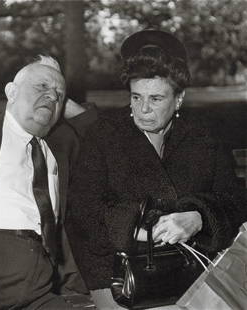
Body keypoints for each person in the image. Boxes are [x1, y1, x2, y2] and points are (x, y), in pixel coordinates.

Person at [66, 29, 247, 308]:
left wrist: (199, 217)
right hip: (122, 278)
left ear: (179, 99)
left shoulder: (203, 137)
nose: (143, 110)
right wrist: (138, 229)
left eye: (156, 99)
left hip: (196, 271)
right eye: (136, 97)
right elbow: (82, 213)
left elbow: (235, 201)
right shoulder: (104, 136)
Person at [0, 55, 97, 309]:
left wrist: (52, 97)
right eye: (41, 86)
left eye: (59, 94)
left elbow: (106, 137)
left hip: (38, 285)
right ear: (11, 92)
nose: (52, 96)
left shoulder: (59, 147)